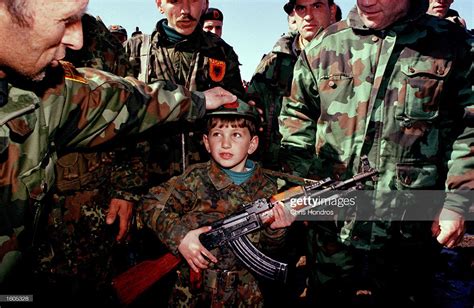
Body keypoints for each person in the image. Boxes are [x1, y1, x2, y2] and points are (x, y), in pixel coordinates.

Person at [0, 0, 236, 299]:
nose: (77, 39)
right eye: (65, 19)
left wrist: (199, 101)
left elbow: (119, 101)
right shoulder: (139, 48)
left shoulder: (42, 95)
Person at [279, 0, 473, 306]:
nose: (366, 1)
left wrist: (458, 201)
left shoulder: (452, 45)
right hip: (333, 227)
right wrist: (302, 189)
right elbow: (296, 118)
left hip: (410, 229)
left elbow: (469, 125)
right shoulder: (326, 45)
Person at [32, 13, 147, 306]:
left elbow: (131, 115)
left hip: (93, 202)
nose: (74, 40)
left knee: (93, 290)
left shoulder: (100, 40)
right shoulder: (14, 26)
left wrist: (126, 190)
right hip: (29, 204)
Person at [139, 101, 295, 306]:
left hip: (244, 295)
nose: (225, 143)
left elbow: (268, 248)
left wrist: (276, 230)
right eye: (217, 134)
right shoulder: (194, 179)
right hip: (193, 294)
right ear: (206, 142)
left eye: (236, 135)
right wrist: (181, 238)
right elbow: (150, 204)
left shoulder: (268, 188)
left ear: (253, 144)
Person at [125, 0, 245, 187]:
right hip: (146, 185)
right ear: (159, 4)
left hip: (208, 188)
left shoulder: (221, 52)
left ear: (205, 4)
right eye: (175, 1)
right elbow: (117, 125)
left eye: (194, 0)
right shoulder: (134, 51)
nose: (186, 10)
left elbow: (236, 121)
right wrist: (125, 189)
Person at [247, 0, 337, 171]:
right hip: (279, 171)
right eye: (301, 8)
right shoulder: (273, 64)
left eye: (317, 6)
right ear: (294, 15)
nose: (309, 16)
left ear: (331, 11)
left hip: (335, 174)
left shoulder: (351, 59)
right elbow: (252, 114)